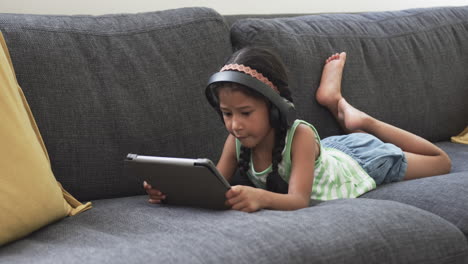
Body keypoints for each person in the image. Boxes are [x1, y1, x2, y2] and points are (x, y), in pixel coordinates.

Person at [144, 47, 451, 213]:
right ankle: (338, 107)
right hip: (328, 154)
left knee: (441, 161)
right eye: (227, 113)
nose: (234, 124)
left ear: (274, 108)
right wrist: (172, 193)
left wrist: (261, 197)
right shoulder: (236, 139)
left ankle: (361, 120)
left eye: (245, 113)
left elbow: (298, 201)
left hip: (359, 164)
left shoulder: (300, 135)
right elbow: (215, 187)